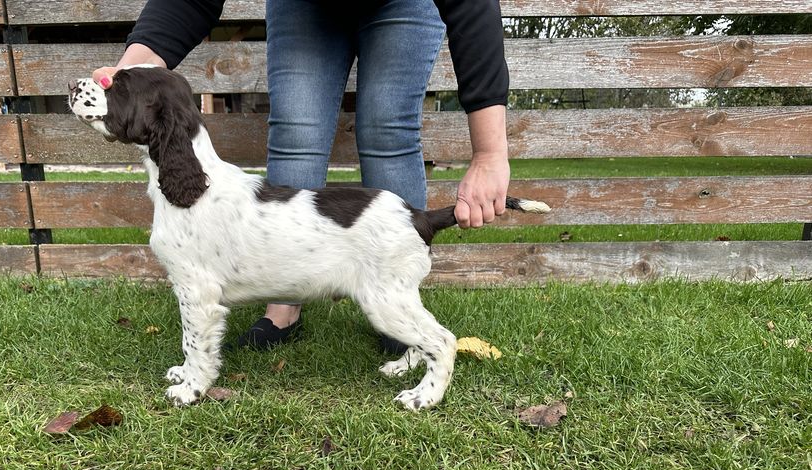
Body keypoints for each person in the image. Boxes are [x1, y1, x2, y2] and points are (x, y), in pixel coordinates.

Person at [93, 0, 511, 351]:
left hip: (402, 3)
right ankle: (283, 306)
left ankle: (395, 301)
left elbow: (471, 8)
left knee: (388, 127)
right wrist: (134, 69)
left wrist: (490, 153)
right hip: (303, 6)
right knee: (297, 129)